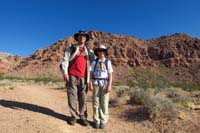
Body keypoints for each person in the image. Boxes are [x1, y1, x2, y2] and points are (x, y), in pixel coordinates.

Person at [60, 30, 95, 126]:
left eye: (84, 36)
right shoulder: (70, 48)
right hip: (72, 75)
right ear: (77, 37)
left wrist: (92, 78)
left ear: (86, 38)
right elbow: (65, 60)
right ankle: (73, 116)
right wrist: (65, 72)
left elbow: (95, 61)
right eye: (80, 36)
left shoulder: (89, 51)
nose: (82, 37)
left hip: (84, 76)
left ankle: (83, 117)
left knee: (83, 97)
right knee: (72, 96)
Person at [89, 44, 113, 129]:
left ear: (105, 52)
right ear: (97, 52)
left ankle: (103, 120)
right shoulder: (94, 62)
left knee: (104, 102)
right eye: (99, 51)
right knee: (95, 102)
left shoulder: (108, 62)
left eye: (103, 51)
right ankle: (96, 120)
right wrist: (90, 83)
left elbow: (110, 75)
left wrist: (109, 85)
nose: (101, 52)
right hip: (96, 83)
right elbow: (91, 74)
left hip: (105, 83)